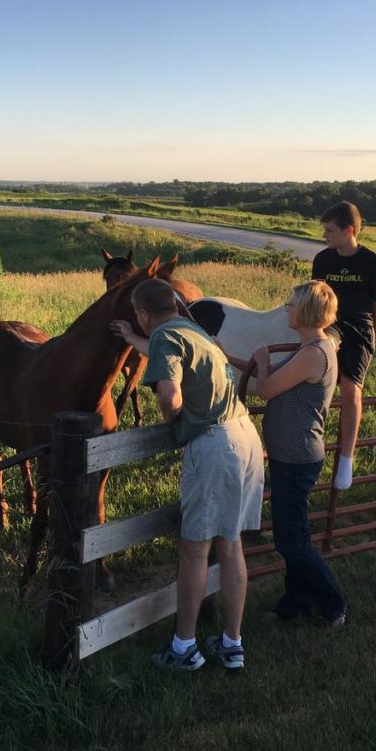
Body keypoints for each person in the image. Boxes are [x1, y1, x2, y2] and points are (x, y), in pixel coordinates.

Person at [109, 278, 265, 672]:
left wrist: (174, 421)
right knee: (230, 545)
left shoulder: (164, 337)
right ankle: (232, 644)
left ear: (143, 314)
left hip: (213, 446)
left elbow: (169, 394)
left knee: (194, 549)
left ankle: (184, 648)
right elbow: (167, 353)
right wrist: (132, 339)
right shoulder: (192, 330)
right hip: (245, 437)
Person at [222, 280, 347, 628]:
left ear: (306, 311)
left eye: (290, 304)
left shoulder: (312, 354)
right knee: (295, 535)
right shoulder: (311, 347)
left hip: (296, 456)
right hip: (292, 454)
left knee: (290, 540)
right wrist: (227, 355)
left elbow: (266, 388)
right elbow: (268, 373)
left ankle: (333, 603)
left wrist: (261, 360)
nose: (285, 309)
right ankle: (295, 604)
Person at [312, 201, 376, 489]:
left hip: (360, 326)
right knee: (314, 379)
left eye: (330, 230)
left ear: (349, 230)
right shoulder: (322, 259)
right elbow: (315, 297)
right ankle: (311, 446)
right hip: (329, 325)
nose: (325, 235)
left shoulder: (371, 261)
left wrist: (374, 335)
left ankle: (346, 458)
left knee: (351, 388)